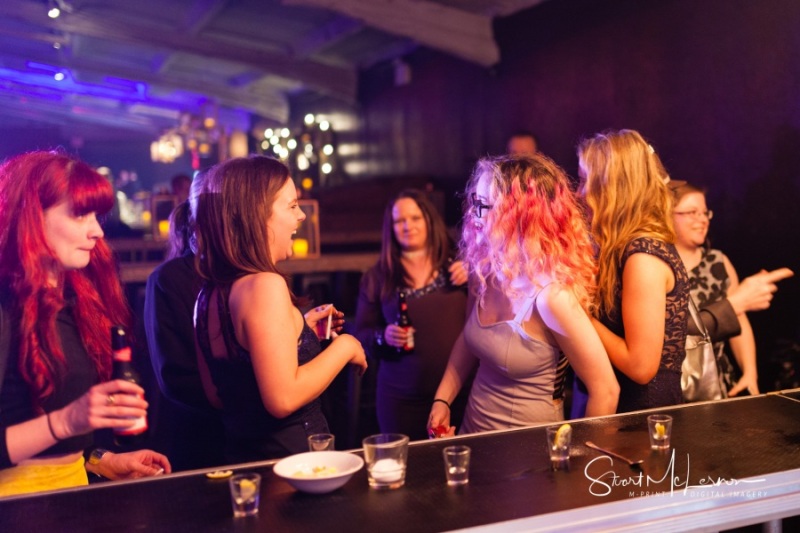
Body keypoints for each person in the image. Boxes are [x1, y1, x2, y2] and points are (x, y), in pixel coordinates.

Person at [0, 151, 170, 498]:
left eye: (96, 215)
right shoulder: (5, 308)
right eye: (80, 215)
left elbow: (54, 441)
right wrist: (66, 421)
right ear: (31, 217)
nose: (96, 231)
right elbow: (57, 423)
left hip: (71, 494)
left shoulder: (72, 301)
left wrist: (100, 459)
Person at [428, 154, 619, 436]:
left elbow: (605, 390)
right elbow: (468, 340)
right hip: (473, 433)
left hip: (529, 454)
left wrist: (584, 461)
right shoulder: (486, 271)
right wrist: (443, 399)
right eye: (474, 203)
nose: (473, 215)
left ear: (519, 213)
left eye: (483, 205)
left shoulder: (551, 297)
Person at [192, 155, 367, 463]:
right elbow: (282, 398)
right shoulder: (265, 285)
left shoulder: (206, 296)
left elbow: (216, 394)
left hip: (243, 461)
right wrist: (346, 348)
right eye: (291, 206)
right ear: (257, 215)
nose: (301, 216)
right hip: (294, 468)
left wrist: (298, 333)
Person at [578, 129, 689, 413]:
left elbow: (641, 367)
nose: (579, 192)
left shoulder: (643, 257)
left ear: (610, 187)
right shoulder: (621, 246)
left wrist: (580, 315)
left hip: (643, 416)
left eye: (583, 180)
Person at [354, 189, 470, 441]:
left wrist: (476, 273)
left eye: (415, 218)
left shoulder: (458, 264)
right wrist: (383, 336)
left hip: (459, 394)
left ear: (429, 219)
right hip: (400, 400)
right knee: (407, 474)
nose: (408, 226)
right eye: (399, 221)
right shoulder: (378, 277)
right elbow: (359, 335)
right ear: (391, 228)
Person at [144, 171, 226, 471]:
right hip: (198, 437)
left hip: (245, 431)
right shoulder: (168, 279)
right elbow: (174, 377)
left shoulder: (244, 275)